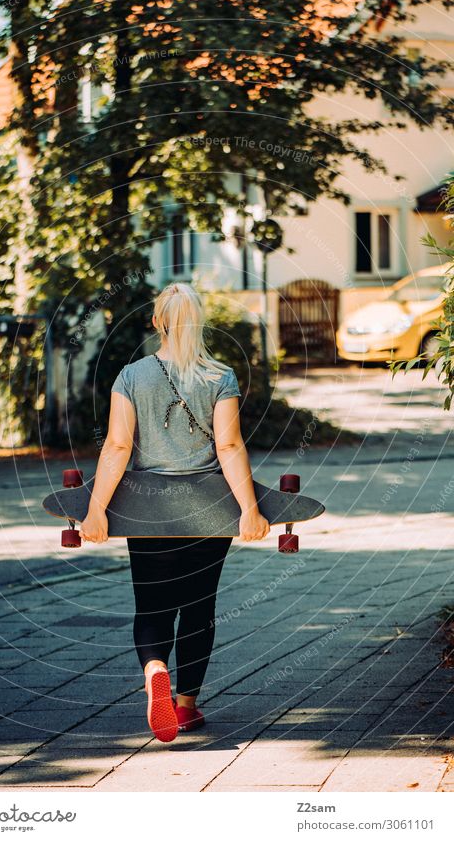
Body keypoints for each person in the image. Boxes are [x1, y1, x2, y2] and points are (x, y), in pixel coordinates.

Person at [80, 283, 270, 742]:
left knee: (152, 604)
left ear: (157, 322)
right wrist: (249, 509)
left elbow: (119, 445)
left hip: (147, 512)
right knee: (199, 607)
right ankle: (185, 707)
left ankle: (154, 669)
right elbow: (227, 445)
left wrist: (96, 509)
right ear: (199, 322)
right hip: (210, 510)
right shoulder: (220, 376)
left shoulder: (131, 377)